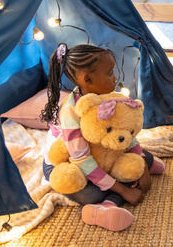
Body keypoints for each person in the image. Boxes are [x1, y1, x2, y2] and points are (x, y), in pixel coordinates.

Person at [40, 43, 165, 231]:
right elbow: (81, 160)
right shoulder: (71, 112)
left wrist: (141, 166)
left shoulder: (109, 97)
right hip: (69, 163)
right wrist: (123, 189)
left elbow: (125, 130)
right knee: (92, 195)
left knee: (143, 157)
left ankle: (122, 187)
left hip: (101, 155)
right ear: (88, 80)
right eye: (110, 73)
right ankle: (107, 205)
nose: (116, 78)